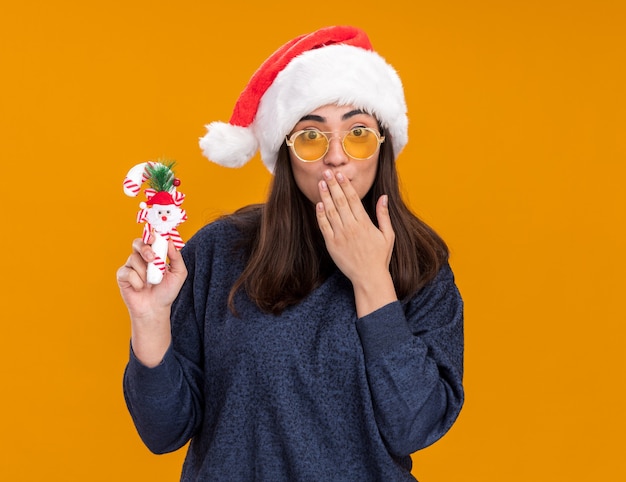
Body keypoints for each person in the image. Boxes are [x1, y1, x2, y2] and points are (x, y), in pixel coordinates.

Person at [117, 25, 464, 482]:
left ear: (383, 145)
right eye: (311, 136)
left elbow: (415, 427)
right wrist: (149, 321)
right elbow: (163, 432)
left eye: (357, 132)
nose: (336, 156)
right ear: (285, 151)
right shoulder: (220, 251)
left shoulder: (422, 266)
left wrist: (371, 281)